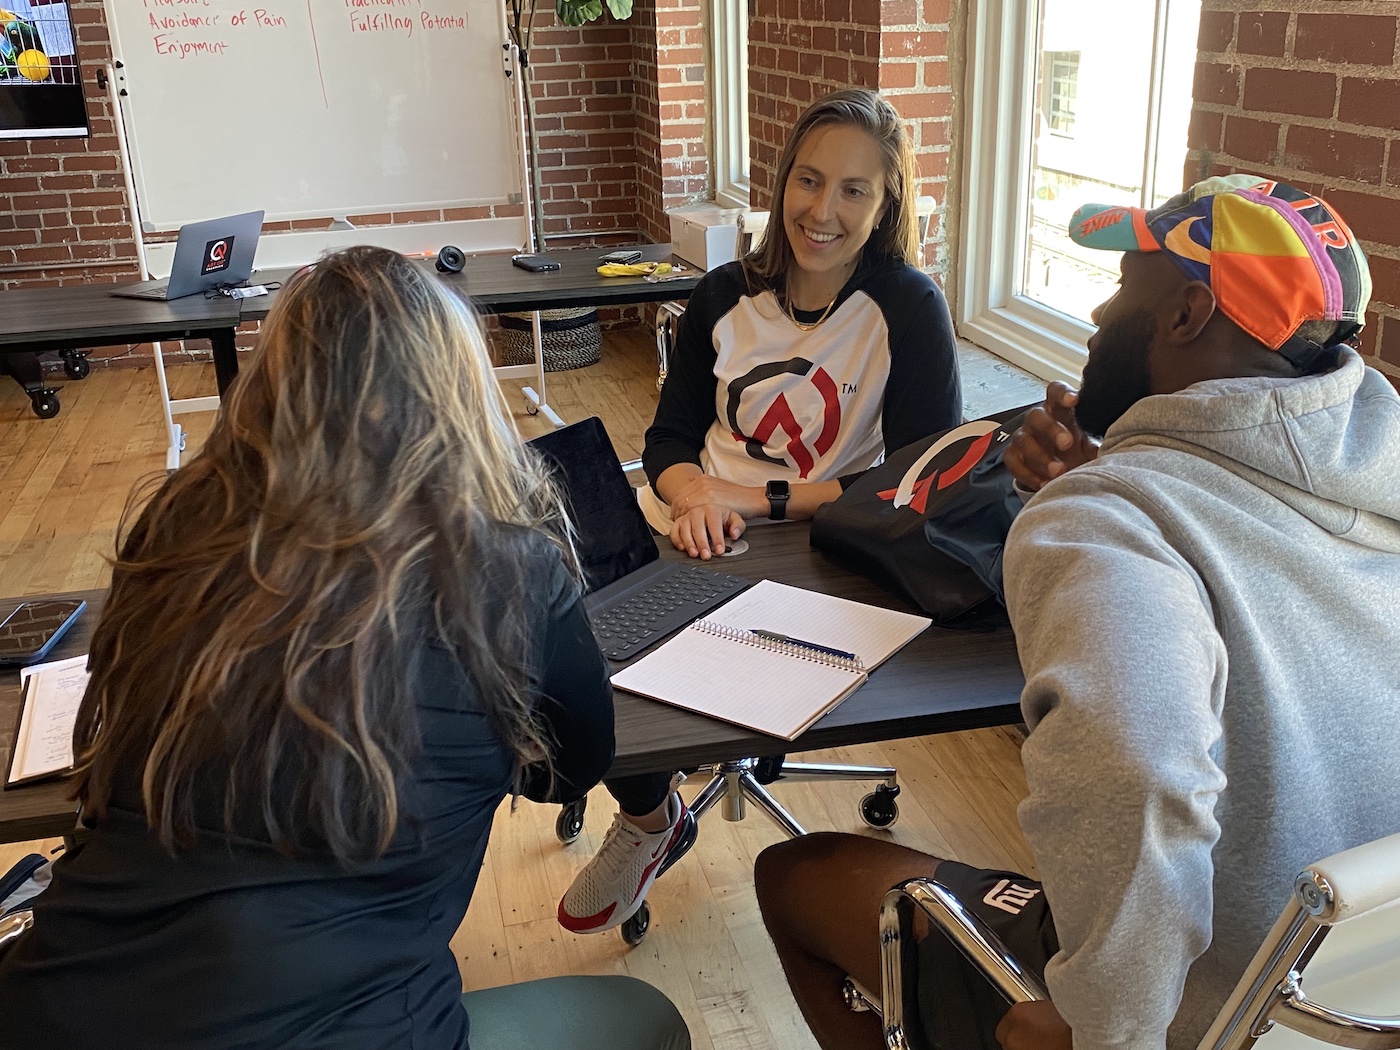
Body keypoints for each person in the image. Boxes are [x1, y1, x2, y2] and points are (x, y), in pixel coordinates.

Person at [753, 174, 1400, 1050]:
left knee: (795, 877)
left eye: (1126, 283)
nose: (1097, 313)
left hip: (1193, 1017)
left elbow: (1138, 773)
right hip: (1352, 1007)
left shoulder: (1108, 525)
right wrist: (1099, 478)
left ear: (1187, 314)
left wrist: (1104, 1032)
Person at [0, 247, 690, 1050]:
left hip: (50, 1008)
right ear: (454, 392)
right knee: (645, 1020)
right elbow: (571, 768)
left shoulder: (176, 526)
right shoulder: (511, 569)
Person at [558, 88, 963, 937]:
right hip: (695, 528)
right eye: (808, 180)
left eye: (854, 189)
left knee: (687, 673)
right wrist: (692, 495)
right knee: (577, 650)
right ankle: (651, 817)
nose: (822, 210)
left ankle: (673, 780)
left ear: (887, 203)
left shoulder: (907, 308)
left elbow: (919, 478)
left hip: (827, 547)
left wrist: (755, 497)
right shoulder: (721, 294)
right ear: (781, 184)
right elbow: (668, 440)